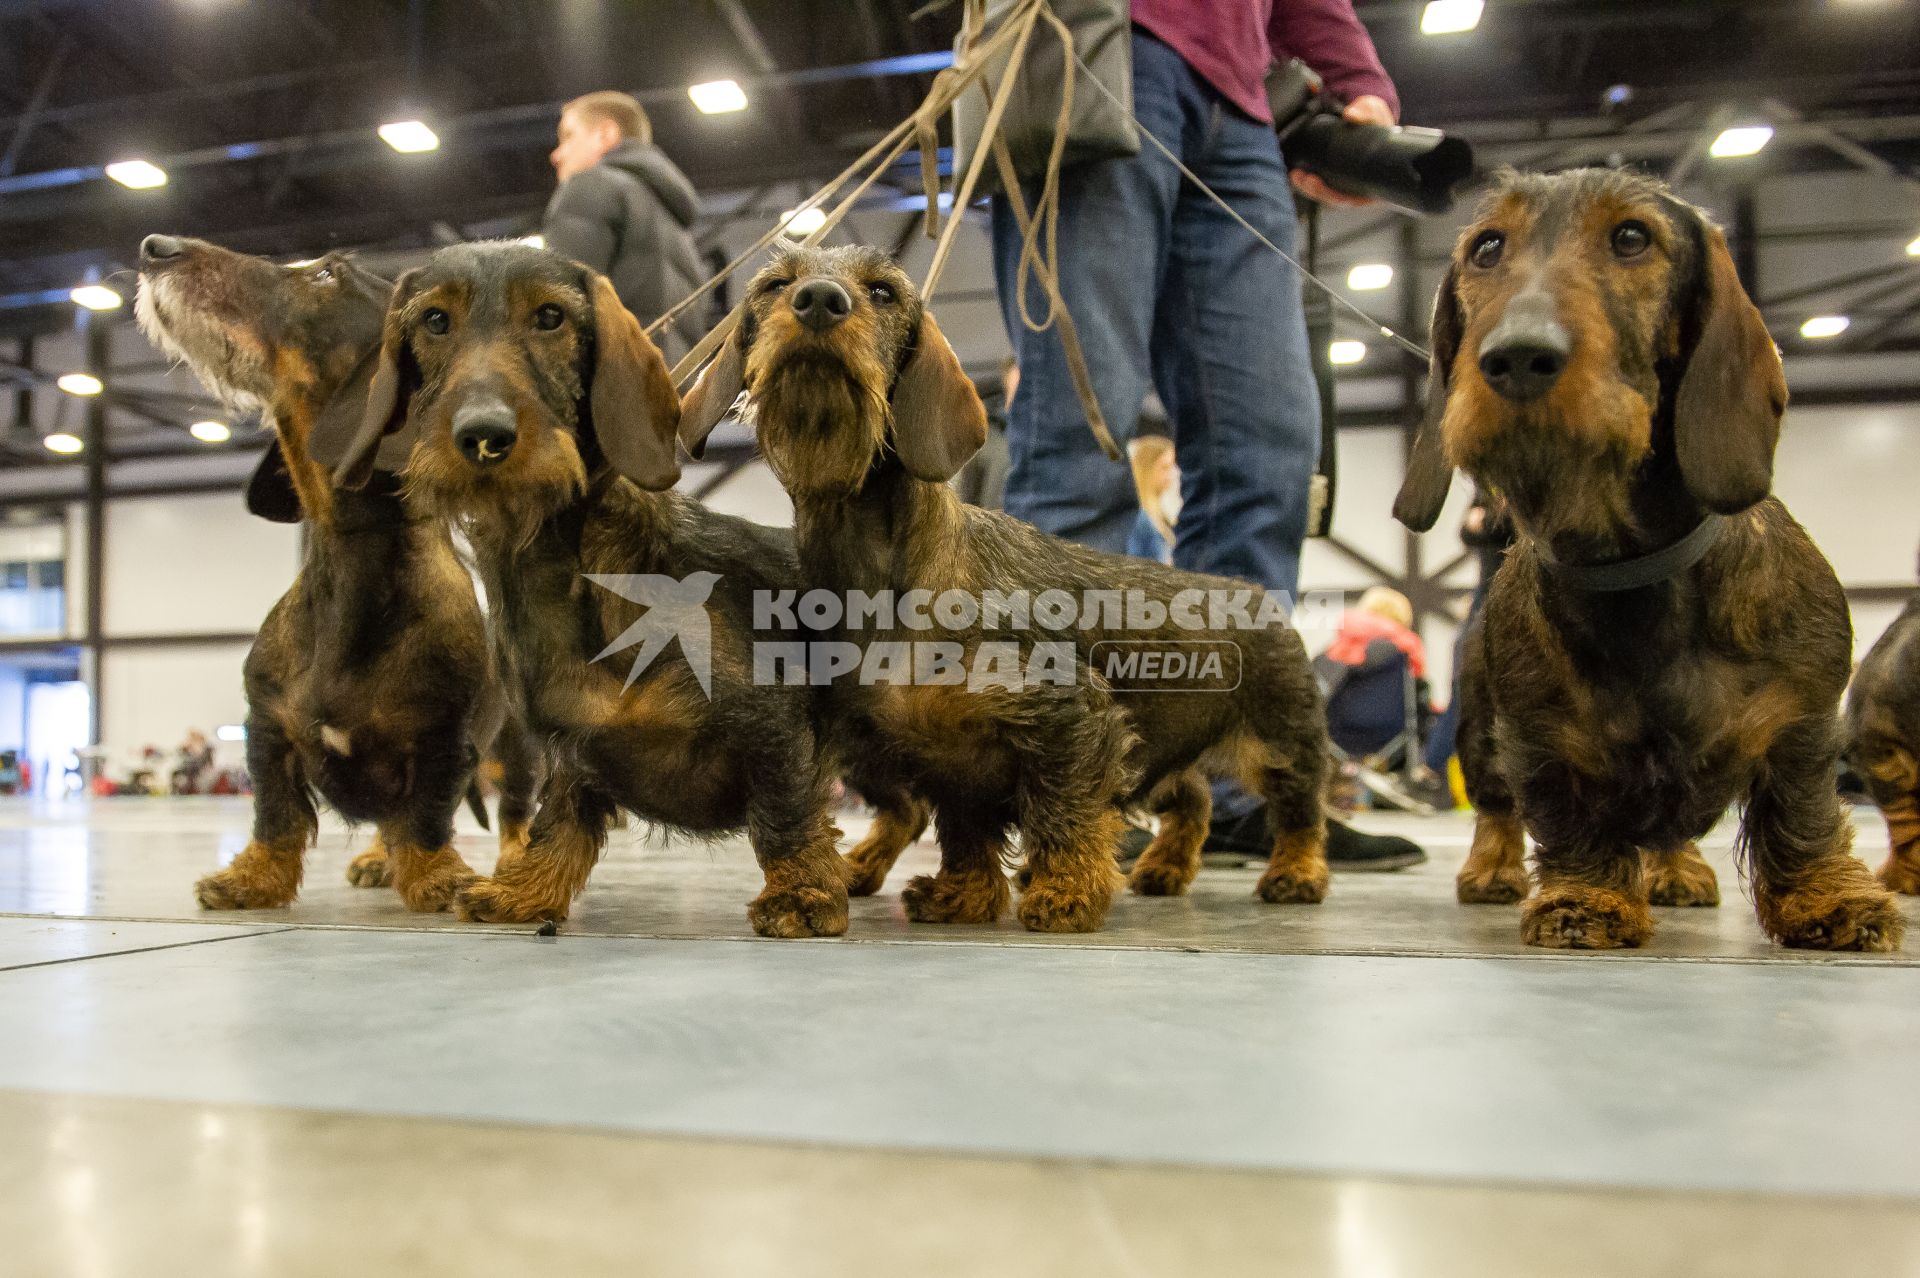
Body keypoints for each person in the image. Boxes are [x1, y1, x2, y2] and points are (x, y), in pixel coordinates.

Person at [993, 0, 1423, 870]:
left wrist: (1357, 81)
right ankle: (1060, 786)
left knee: (1265, 451)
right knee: (1079, 434)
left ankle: (1235, 788)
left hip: (1245, 103)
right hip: (1096, 44)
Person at [543, 91, 705, 363]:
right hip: (673, 389)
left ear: (605, 134)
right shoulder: (673, 218)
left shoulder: (590, 186)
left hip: (616, 393)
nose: (556, 154)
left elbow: (557, 306)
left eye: (568, 136)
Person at [1125, 434, 1178, 565]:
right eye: (1165, 467)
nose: (1170, 475)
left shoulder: (1162, 517)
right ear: (1147, 467)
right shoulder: (1139, 517)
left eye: (1172, 467)